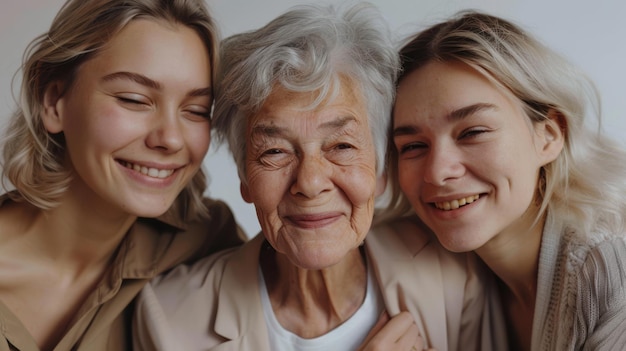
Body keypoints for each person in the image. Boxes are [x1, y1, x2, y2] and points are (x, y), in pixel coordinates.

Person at [134, 3, 495, 351]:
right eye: (274, 151)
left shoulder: (453, 274)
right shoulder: (171, 318)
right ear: (245, 178)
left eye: (340, 146)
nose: (309, 183)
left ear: (382, 169)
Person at [0, 0, 245, 350]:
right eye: (134, 100)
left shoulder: (205, 240)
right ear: (53, 101)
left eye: (195, 110)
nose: (171, 138)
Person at [387, 10, 626, 350]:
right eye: (412, 146)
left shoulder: (613, 274)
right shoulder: (441, 272)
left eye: (472, 132)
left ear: (548, 136)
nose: (438, 172)